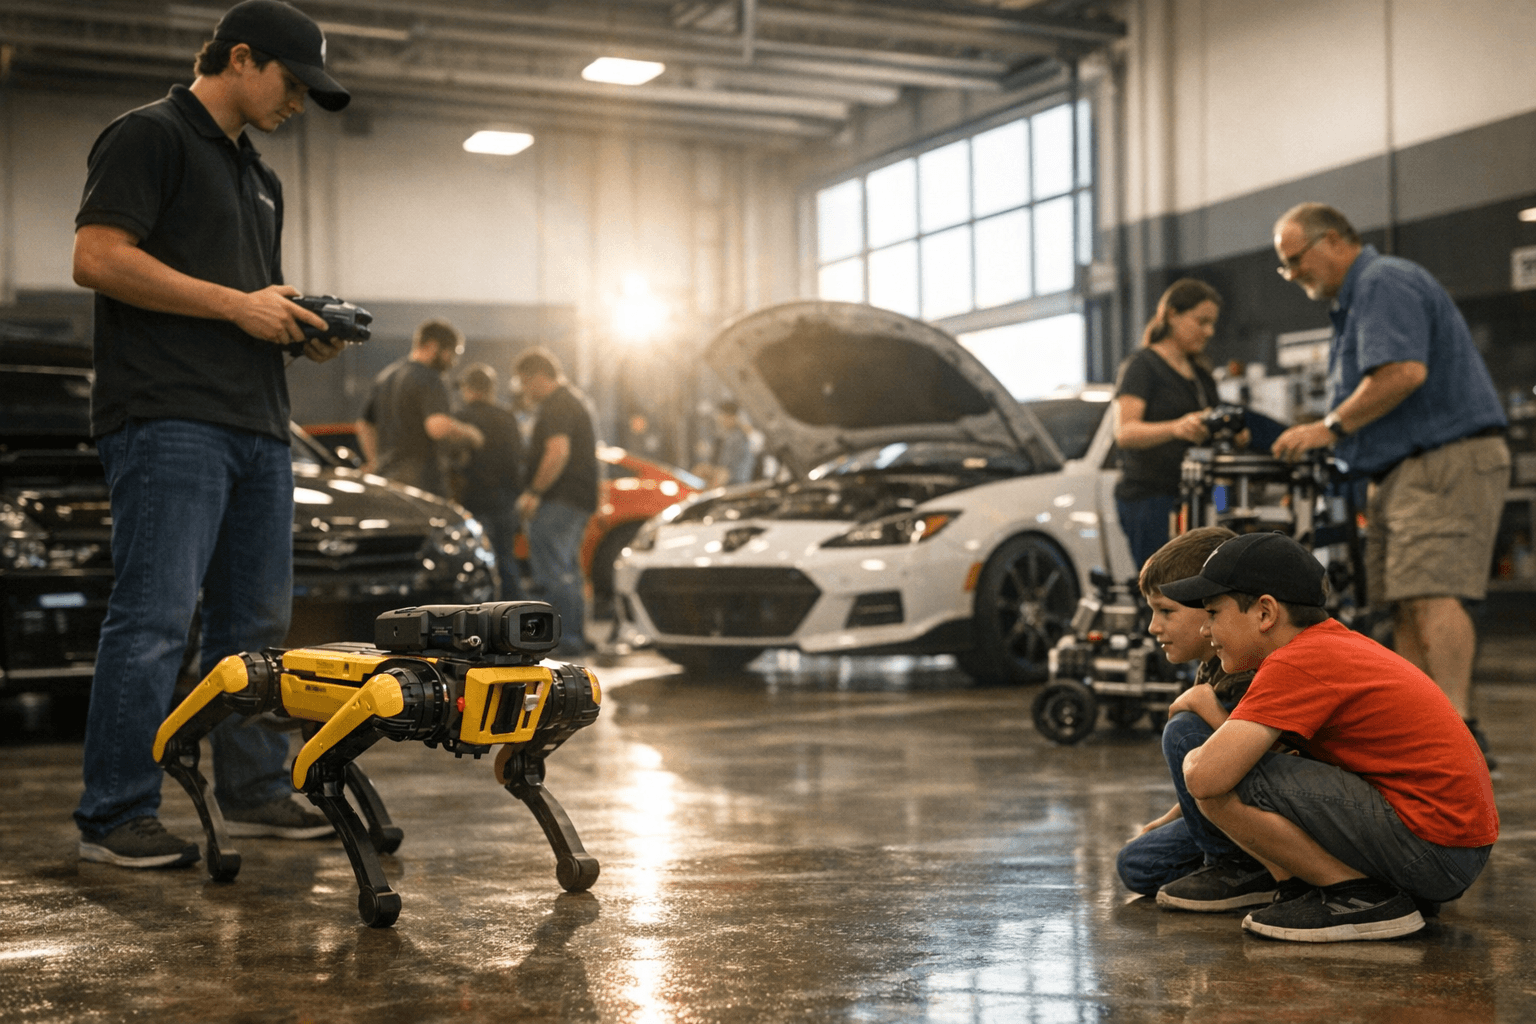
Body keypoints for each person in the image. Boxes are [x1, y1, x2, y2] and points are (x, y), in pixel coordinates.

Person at [70, 0, 352, 868]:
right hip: (169, 417)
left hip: (258, 423)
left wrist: (294, 326)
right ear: (240, 58)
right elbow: (97, 257)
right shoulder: (149, 136)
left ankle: (254, 789)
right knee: (156, 620)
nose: (298, 103)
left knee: (256, 631)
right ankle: (115, 814)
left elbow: (246, 302)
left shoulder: (259, 175)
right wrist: (238, 305)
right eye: (292, 83)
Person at [1162, 532, 1497, 942]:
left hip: (1435, 851)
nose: (1205, 628)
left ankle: (1356, 897)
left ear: (1265, 612)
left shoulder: (1297, 662)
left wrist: (1194, 755)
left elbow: (1205, 778)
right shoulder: (1328, 644)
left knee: (1225, 780)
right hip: (1450, 846)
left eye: (1213, 612)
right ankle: (1323, 888)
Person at [1269, 203, 1509, 765]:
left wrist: (1329, 428)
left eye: (1295, 259)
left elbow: (1403, 372)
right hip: (1401, 470)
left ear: (1334, 240)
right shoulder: (1354, 303)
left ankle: (1459, 734)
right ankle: (1423, 732)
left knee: (1431, 593)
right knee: (1402, 604)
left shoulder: (1383, 281)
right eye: (1285, 266)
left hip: (1442, 460)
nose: (1292, 274)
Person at [1115, 526, 1273, 911]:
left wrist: (1204, 705)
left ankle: (1237, 868)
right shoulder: (1210, 665)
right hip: (1232, 810)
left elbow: (1265, 758)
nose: (1153, 626)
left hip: (1269, 811)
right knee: (1137, 863)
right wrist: (1172, 815)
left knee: (1184, 731)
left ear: (1210, 607)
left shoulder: (1247, 666)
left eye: (1166, 611)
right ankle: (1245, 865)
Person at [1113, 279, 1223, 569]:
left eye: (1212, 324)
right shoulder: (1142, 366)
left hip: (1200, 495)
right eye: (1201, 321)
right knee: (1164, 584)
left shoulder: (1201, 376)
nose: (1209, 331)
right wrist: (1175, 428)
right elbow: (1125, 432)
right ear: (1172, 315)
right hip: (1151, 498)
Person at [514, 347, 598, 656]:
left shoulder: (557, 404)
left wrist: (534, 492)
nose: (523, 390)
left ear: (538, 377)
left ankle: (564, 640)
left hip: (559, 500)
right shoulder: (573, 400)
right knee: (569, 571)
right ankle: (575, 636)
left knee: (553, 571)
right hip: (577, 499)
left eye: (524, 382)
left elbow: (558, 451)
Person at [356, 319, 484, 497]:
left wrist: (375, 462)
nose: (453, 361)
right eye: (453, 353)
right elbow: (437, 426)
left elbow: (364, 425)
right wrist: (471, 433)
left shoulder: (386, 376)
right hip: (422, 485)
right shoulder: (430, 377)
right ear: (433, 346)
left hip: (387, 481)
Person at [455, 363, 524, 599]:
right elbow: (517, 462)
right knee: (506, 560)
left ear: (468, 389)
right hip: (505, 501)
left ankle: (485, 615)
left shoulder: (461, 418)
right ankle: (515, 615)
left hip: (473, 501)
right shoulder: (507, 418)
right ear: (491, 389)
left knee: (477, 565)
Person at [696, 400, 756, 488]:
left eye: (723, 415)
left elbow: (728, 467)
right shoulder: (722, 436)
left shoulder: (739, 437)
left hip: (737, 478)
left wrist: (713, 471)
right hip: (725, 473)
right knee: (701, 469)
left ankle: (707, 495)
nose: (719, 419)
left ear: (732, 418)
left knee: (720, 475)